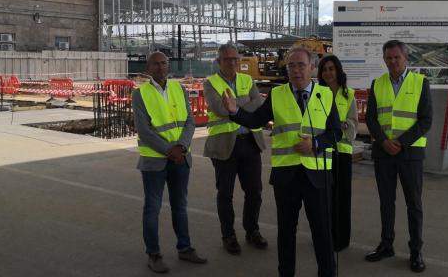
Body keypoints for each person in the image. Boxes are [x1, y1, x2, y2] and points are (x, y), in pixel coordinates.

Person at [222, 47, 342, 277]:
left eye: (301, 65)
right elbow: (256, 120)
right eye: (291, 66)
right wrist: (235, 111)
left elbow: (336, 133)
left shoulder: (325, 95)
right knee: (286, 232)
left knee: (322, 233)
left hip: (318, 176)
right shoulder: (277, 95)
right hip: (286, 176)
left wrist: (315, 144)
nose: (296, 70)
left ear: (312, 67)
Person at [132, 51, 207, 273]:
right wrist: (169, 150)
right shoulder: (140, 94)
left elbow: (190, 122)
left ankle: (185, 248)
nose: (161, 67)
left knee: (180, 206)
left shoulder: (179, 89)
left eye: (164, 63)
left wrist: (181, 147)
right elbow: (144, 131)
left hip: (181, 159)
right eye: (156, 64)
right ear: (148, 68)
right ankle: (153, 254)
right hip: (155, 162)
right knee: (152, 208)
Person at [364, 40, 432, 273]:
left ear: (406, 58)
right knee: (386, 202)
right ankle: (386, 245)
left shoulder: (421, 82)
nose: (393, 62)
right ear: (384, 59)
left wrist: (400, 143)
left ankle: (416, 251)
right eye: (389, 58)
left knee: (414, 204)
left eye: (397, 57)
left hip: (410, 154)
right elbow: (371, 118)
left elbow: (426, 120)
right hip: (384, 153)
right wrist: (384, 142)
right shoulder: (378, 83)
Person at [203, 43, 268, 255]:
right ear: (219, 62)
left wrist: (235, 105)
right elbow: (220, 108)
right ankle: (228, 236)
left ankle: (252, 230)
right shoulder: (210, 83)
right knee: (225, 194)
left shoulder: (247, 79)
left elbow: (257, 104)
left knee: (254, 192)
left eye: (235, 59)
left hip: (250, 142)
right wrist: (244, 102)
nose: (232, 63)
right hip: (224, 146)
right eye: (227, 59)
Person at [317, 55, 358, 251]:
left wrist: (339, 124)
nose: (328, 73)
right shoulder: (317, 93)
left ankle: (340, 240)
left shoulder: (348, 94)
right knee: (324, 198)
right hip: (322, 152)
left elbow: (353, 125)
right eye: (324, 69)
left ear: (338, 71)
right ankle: (325, 237)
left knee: (342, 198)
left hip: (341, 153)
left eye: (331, 69)